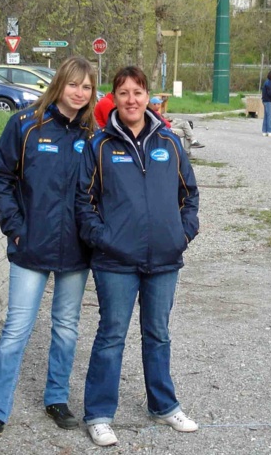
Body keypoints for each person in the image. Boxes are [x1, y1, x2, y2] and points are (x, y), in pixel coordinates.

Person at [76, 66, 200, 447]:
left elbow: (189, 195)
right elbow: (84, 201)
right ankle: (98, 414)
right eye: (124, 93)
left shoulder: (169, 142)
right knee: (111, 335)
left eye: (138, 92)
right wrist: (104, 239)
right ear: (113, 98)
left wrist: (182, 234)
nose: (132, 99)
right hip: (115, 261)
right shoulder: (100, 145)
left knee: (158, 334)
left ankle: (163, 405)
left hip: (164, 258)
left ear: (149, 97)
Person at [0, 56, 98, 449]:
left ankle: (56, 399)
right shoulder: (26, 125)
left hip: (75, 252)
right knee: (16, 331)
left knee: (66, 329)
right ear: (60, 84)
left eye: (87, 87)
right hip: (30, 247)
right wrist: (14, 227)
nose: (79, 93)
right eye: (73, 84)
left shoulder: (92, 134)